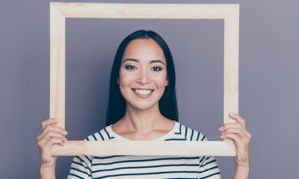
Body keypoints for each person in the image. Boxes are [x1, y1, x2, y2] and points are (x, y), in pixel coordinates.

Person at [38, 30, 251, 178]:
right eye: (131, 67)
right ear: (117, 76)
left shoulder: (196, 145)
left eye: (156, 68)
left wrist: (242, 165)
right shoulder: (90, 149)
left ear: (167, 79)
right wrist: (47, 167)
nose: (143, 79)